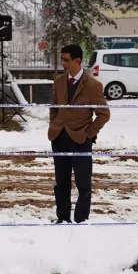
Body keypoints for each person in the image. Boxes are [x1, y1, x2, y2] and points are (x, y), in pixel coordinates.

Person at [48, 44, 110, 224]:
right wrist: (54, 124)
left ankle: (81, 219)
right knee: (61, 183)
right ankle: (63, 218)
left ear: (77, 60)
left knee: (83, 183)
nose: (63, 63)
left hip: (80, 139)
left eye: (66, 60)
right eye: (62, 59)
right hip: (59, 137)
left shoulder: (92, 85)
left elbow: (103, 114)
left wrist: (89, 133)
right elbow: (54, 107)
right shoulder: (59, 81)